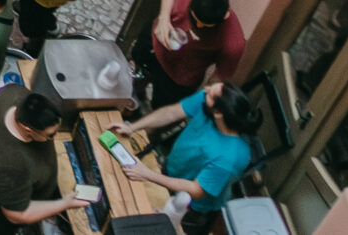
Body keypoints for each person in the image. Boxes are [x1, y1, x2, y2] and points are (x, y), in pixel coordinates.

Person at [108, 81, 260, 219]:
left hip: (187, 204)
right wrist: (132, 127)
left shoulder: (229, 158)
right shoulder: (207, 102)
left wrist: (147, 174)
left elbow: (195, 190)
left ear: (219, 113)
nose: (205, 89)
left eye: (210, 94)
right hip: (171, 169)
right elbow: (171, 113)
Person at [0, 87, 86, 232]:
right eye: (50, 135)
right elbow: (16, 214)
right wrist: (64, 204)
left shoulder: (14, 93)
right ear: (27, 129)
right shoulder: (12, 165)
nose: (54, 137)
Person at [139, 0, 246, 109]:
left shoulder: (233, 43)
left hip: (178, 79)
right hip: (155, 41)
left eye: (206, 26)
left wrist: (198, 104)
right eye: (195, 20)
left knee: (160, 107)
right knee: (138, 68)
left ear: (225, 15)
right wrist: (164, 18)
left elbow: (218, 78)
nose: (199, 26)